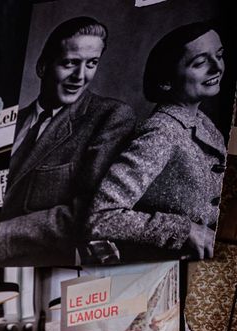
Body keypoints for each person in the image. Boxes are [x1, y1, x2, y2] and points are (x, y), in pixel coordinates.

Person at [0, 16, 137, 266]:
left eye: (91, 63)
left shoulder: (110, 117)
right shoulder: (10, 121)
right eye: (70, 63)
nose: (80, 76)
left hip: (42, 266)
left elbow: (89, 210)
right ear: (42, 67)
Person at [88, 22, 229, 262]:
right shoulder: (161, 132)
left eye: (219, 55)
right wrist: (185, 231)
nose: (216, 68)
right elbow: (102, 217)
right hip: (167, 269)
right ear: (166, 82)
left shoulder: (202, 122)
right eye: (200, 62)